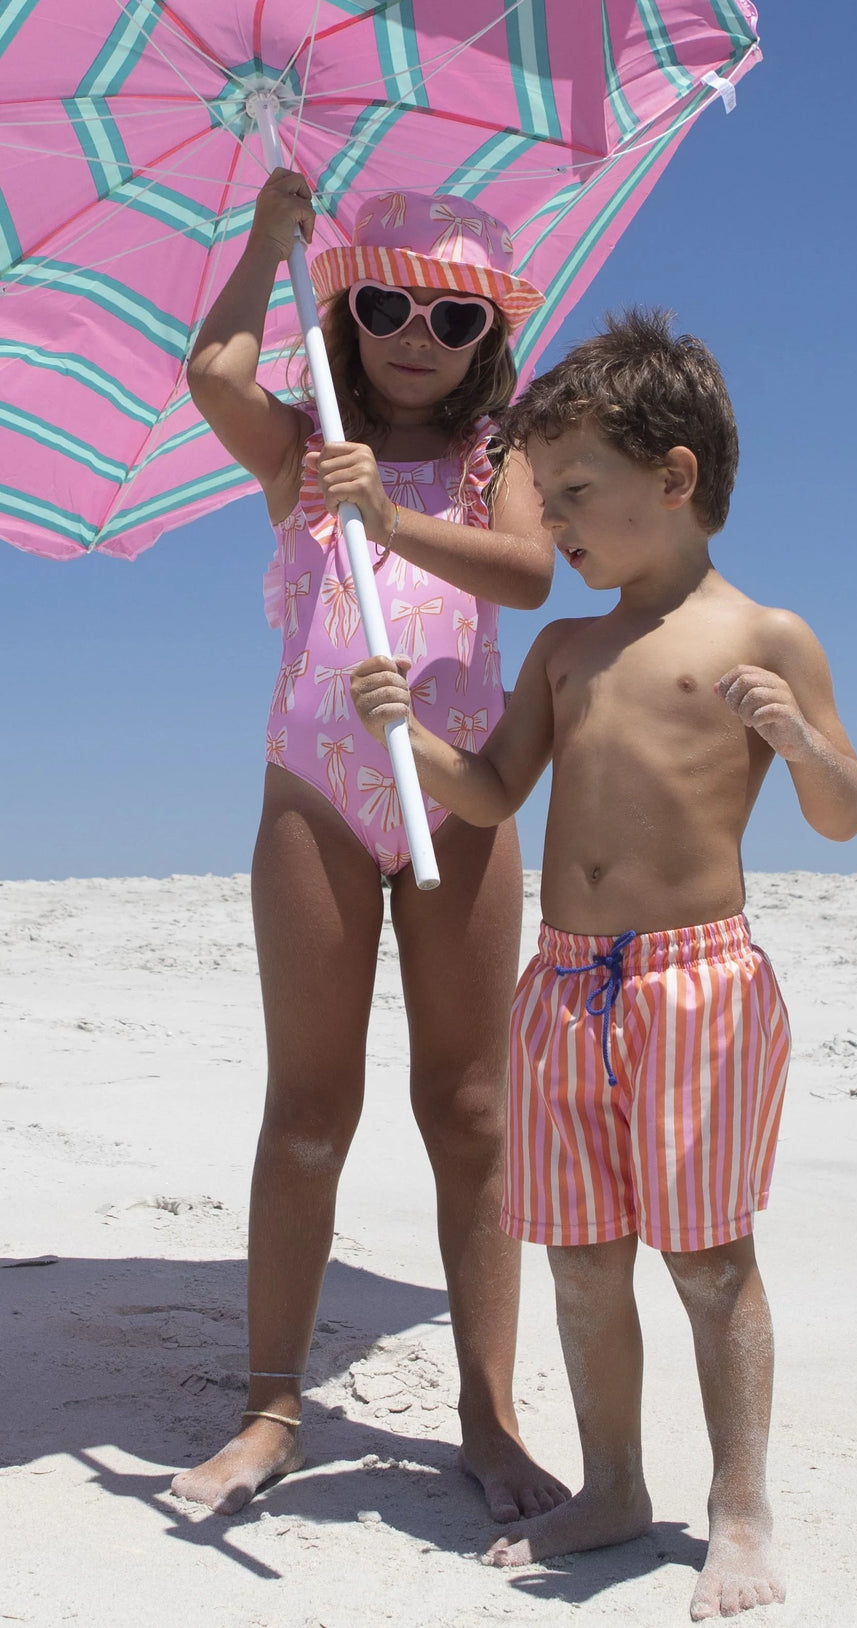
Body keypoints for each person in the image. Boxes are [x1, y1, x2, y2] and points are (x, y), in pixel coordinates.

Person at [350, 309, 857, 1618]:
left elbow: (846, 809)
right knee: (582, 1254)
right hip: (561, 987)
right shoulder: (563, 652)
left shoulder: (767, 636)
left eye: (574, 493)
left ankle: (739, 1510)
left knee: (708, 1258)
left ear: (676, 476)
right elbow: (490, 793)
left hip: (698, 984)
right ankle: (616, 1482)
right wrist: (408, 738)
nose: (554, 522)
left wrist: (800, 743)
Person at [170, 172, 569, 1523]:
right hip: (316, 791)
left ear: (489, 336)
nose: (418, 334)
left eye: (454, 317)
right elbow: (210, 370)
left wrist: (391, 520)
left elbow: (529, 576)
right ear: (346, 311)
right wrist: (263, 245)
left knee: (469, 1110)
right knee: (307, 1109)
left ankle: (490, 1411)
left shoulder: (495, 456)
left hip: (462, 789)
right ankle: (272, 1403)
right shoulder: (298, 445)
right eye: (388, 302)